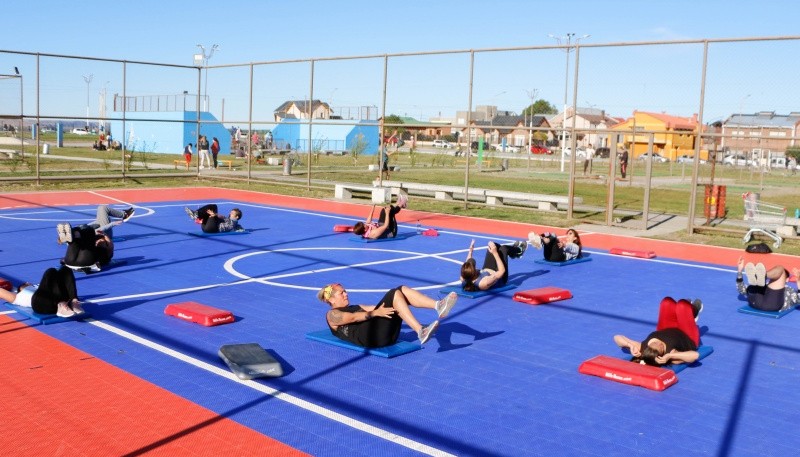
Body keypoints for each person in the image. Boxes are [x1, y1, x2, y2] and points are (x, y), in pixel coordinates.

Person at [317, 283, 458, 347]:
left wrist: (405, 299)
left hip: (383, 336)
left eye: (345, 291)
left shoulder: (355, 307)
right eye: (342, 293)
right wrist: (376, 313)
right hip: (369, 337)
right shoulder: (332, 315)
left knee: (400, 291)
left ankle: (437, 306)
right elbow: (353, 318)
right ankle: (420, 330)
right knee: (393, 293)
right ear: (331, 299)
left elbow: (379, 306)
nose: (346, 294)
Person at [614, 296, 703, 367]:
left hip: (666, 328)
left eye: (655, 343)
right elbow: (695, 355)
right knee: (682, 305)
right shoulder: (670, 354)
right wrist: (671, 356)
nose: (659, 343)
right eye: (661, 347)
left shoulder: (643, 349)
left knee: (666, 302)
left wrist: (629, 345)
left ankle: (683, 312)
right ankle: (693, 311)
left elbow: (617, 338)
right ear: (661, 355)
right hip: (687, 334)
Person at [0, 266, 84, 317]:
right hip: (41, 304)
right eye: (25, 283)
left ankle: (73, 301)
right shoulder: (18, 297)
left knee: (66, 269)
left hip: (55, 297)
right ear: (21, 288)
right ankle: (60, 305)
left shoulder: (38, 287)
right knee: (51, 271)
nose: (28, 283)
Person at [460, 238, 527, 292]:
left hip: (487, 269)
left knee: (493, 245)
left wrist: (470, 250)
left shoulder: (465, 276)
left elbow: (468, 262)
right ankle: (519, 251)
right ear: (473, 272)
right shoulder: (484, 283)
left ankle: (512, 251)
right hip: (501, 276)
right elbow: (501, 271)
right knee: (503, 249)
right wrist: (495, 253)